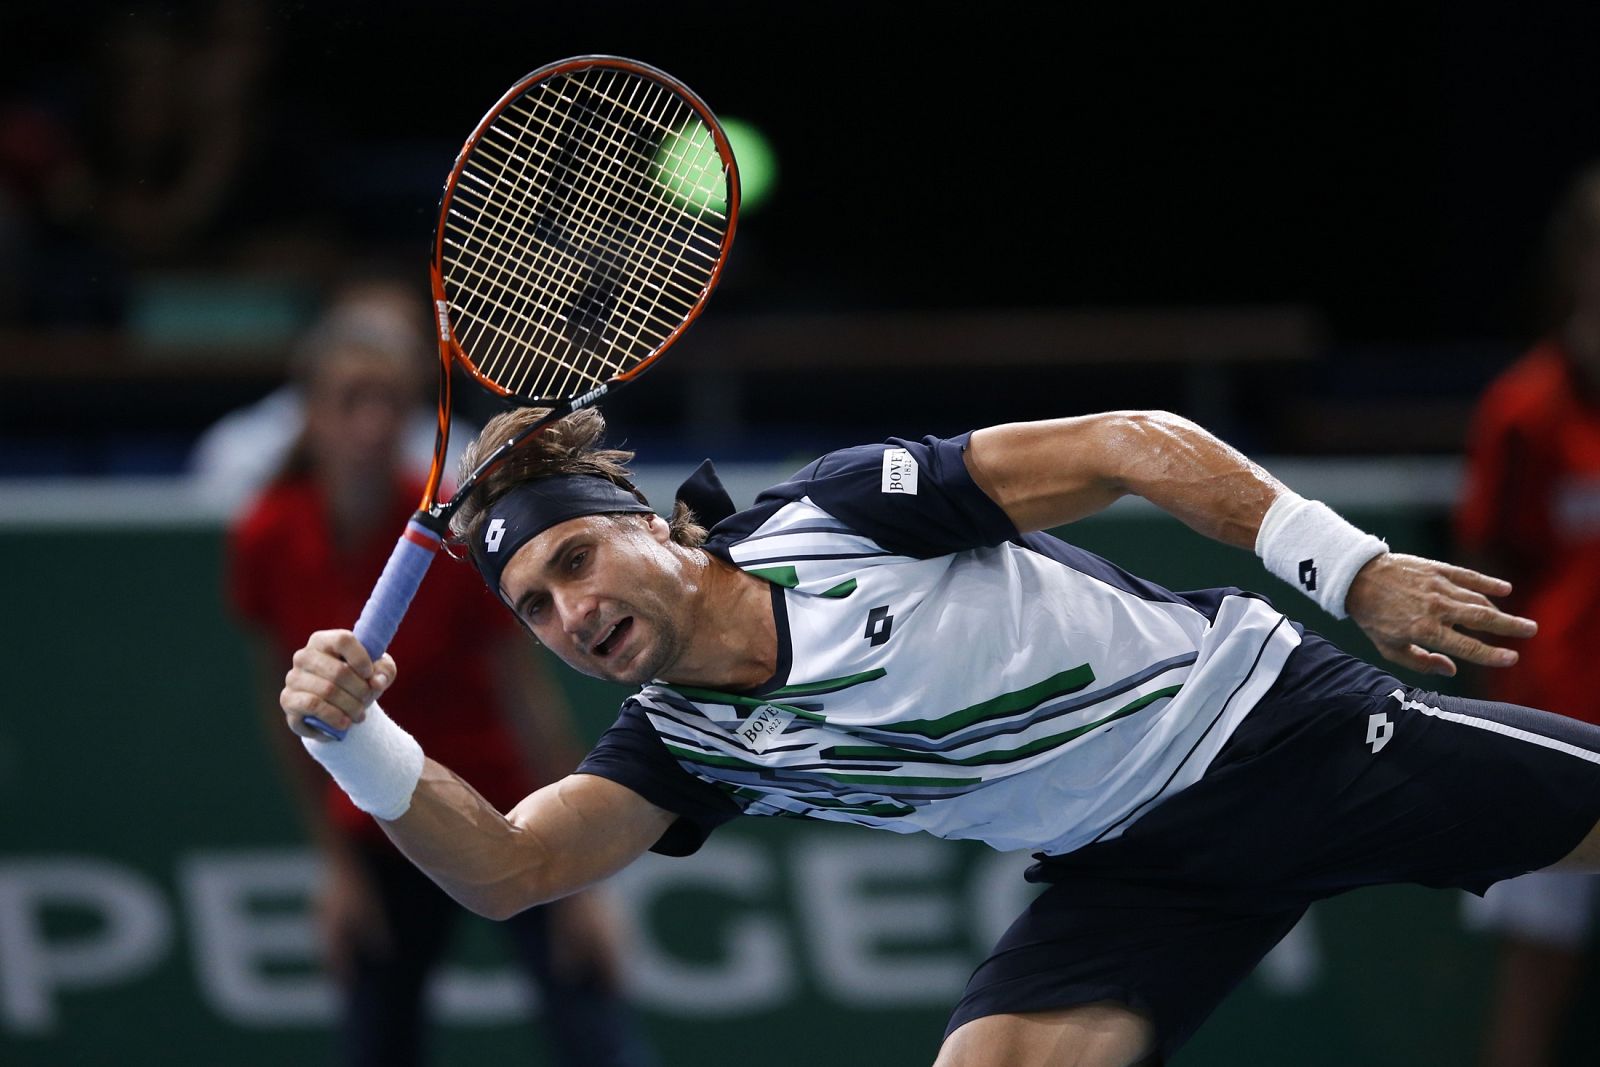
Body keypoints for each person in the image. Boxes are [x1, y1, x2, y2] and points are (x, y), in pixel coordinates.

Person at [277, 401, 1600, 1067]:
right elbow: (510, 866)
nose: (571, 612)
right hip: (1133, 869)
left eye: (577, 558)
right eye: (536, 607)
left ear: (660, 527)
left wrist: (1349, 570)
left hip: (1276, 730)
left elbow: (1133, 443)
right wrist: (358, 744)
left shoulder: (843, 513)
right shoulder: (683, 740)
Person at [226, 295, 657, 1067]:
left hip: (502, 811)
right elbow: (286, 712)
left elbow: (524, 696)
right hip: (377, 833)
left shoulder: (453, 545)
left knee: (600, 1044)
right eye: (349, 400)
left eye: (389, 401)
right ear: (312, 414)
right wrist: (336, 867)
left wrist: (578, 884)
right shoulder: (267, 532)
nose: (371, 423)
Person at [1454, 162, 1600, 1067]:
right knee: (1533, 991)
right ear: (1576, 265)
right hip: (1553, 732)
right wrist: (1481, 738)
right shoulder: (1522, 410)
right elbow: (1484, 579)